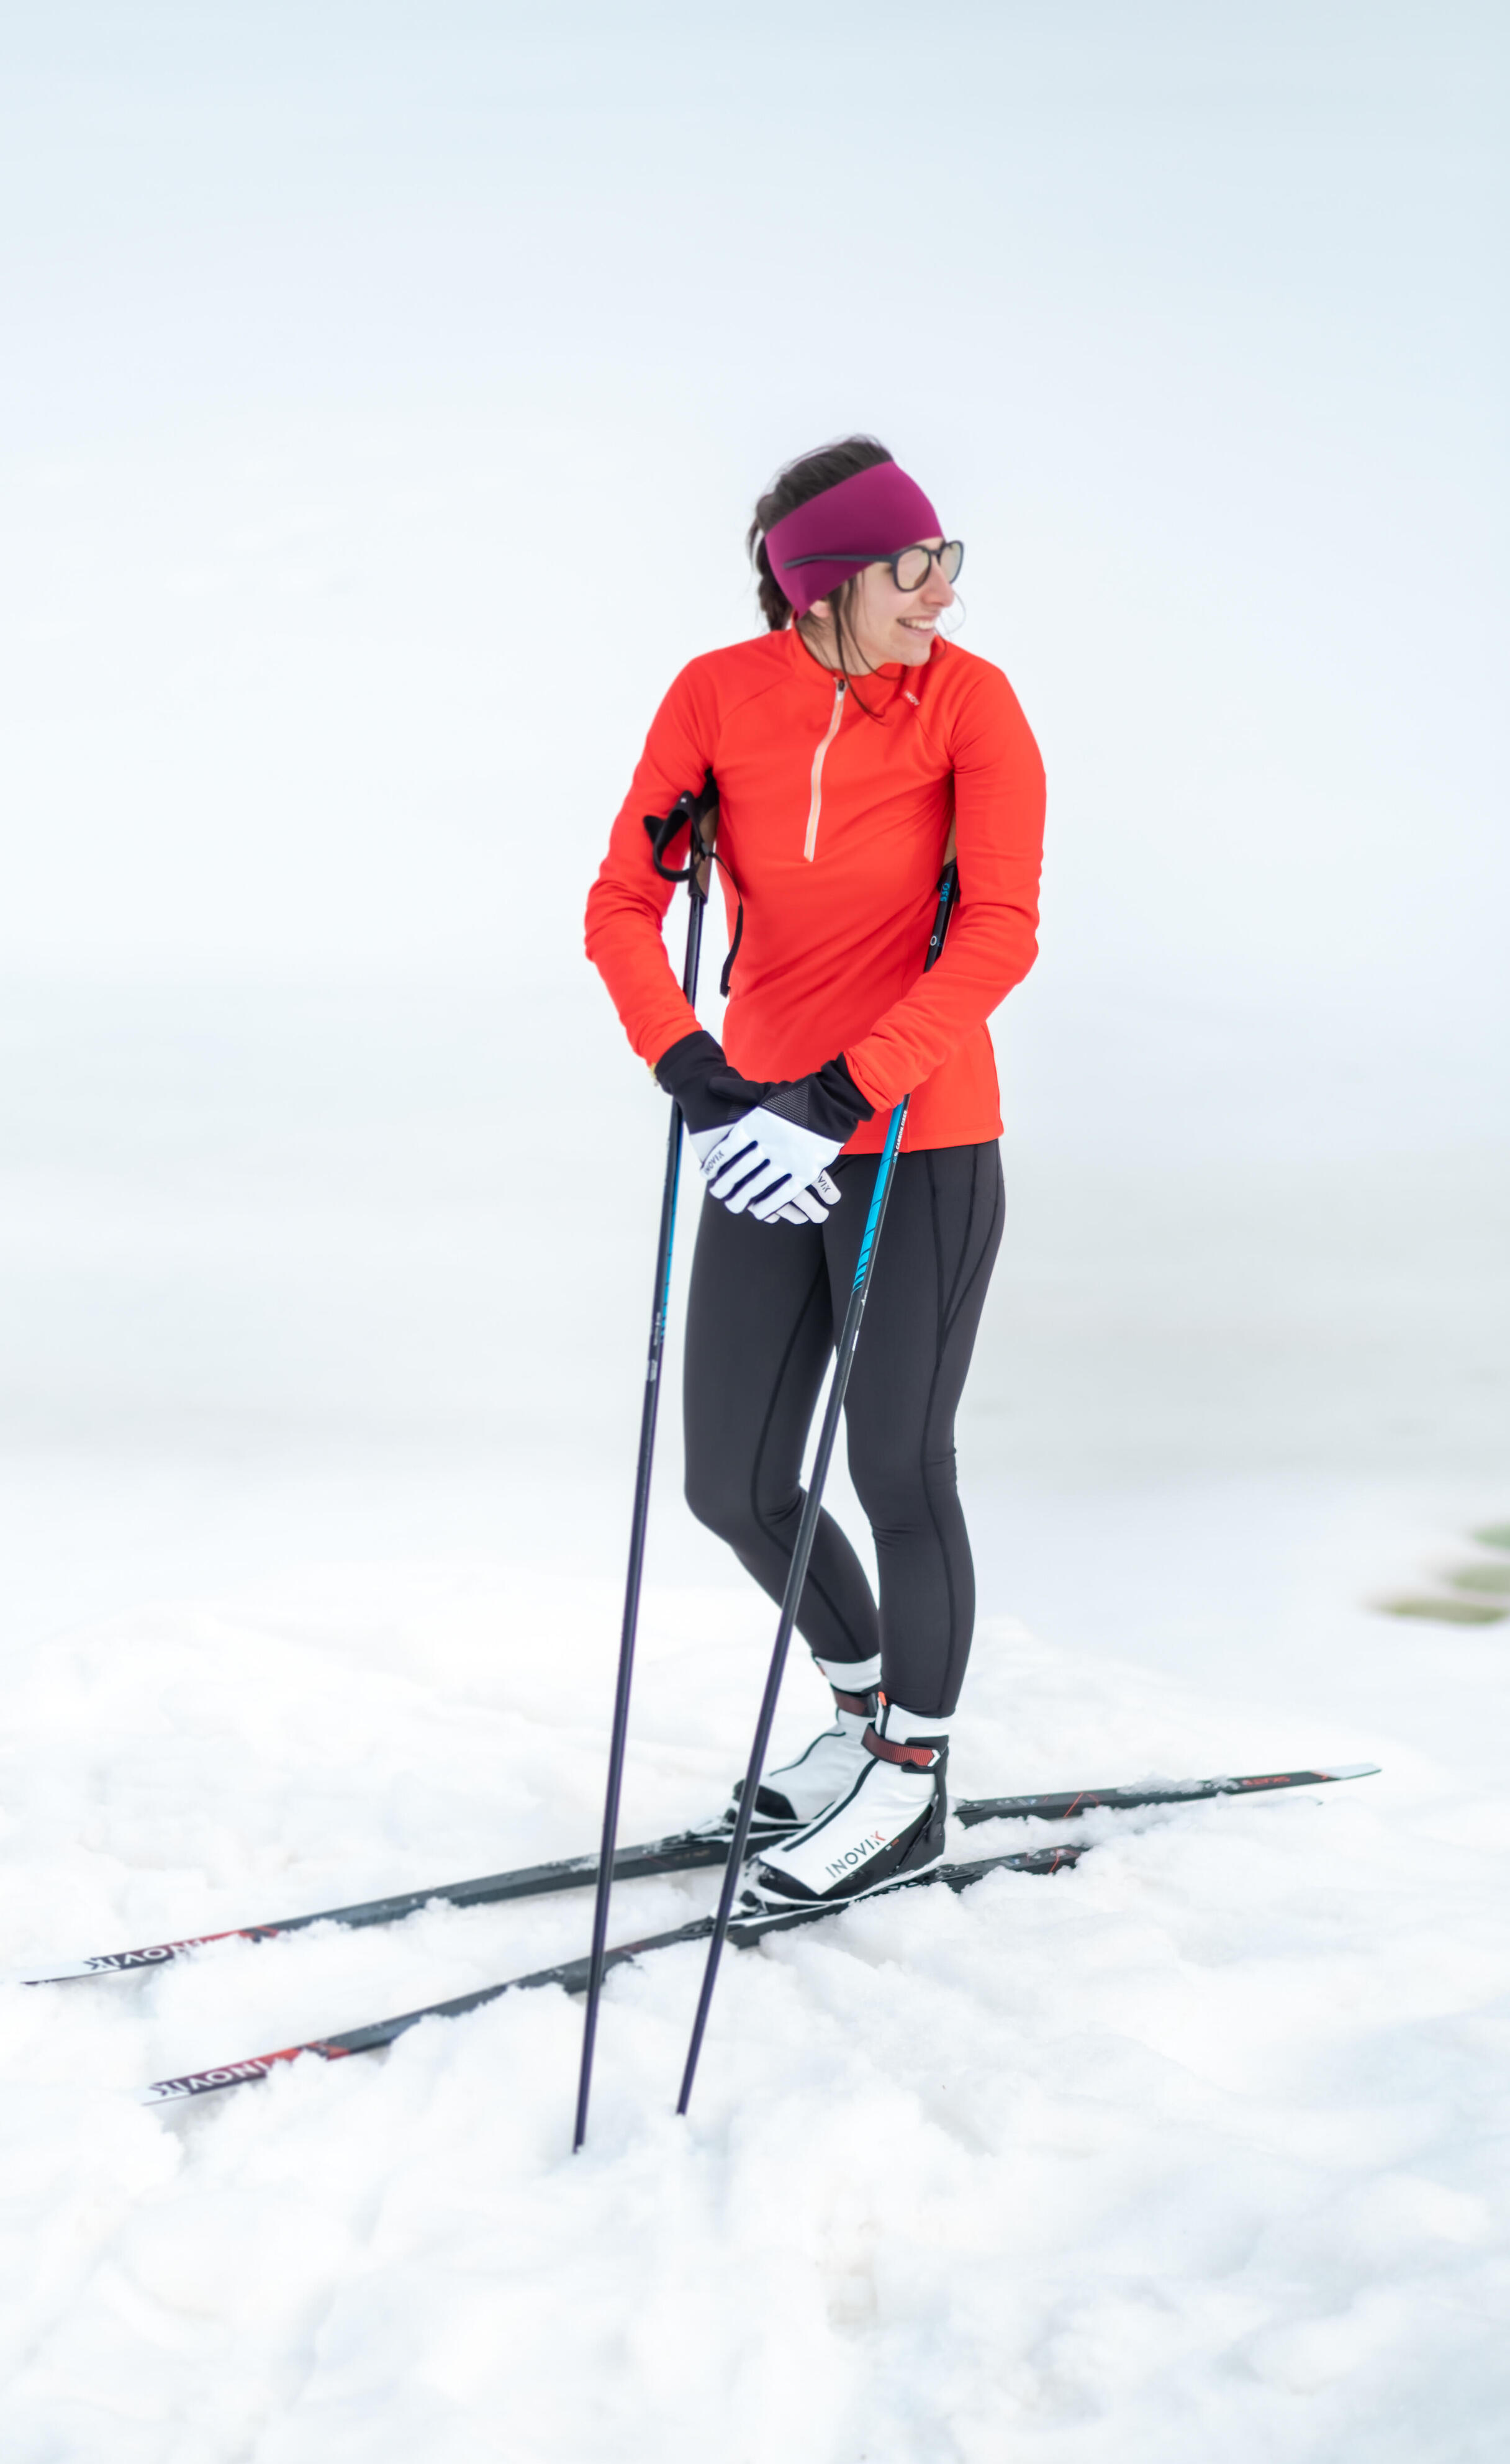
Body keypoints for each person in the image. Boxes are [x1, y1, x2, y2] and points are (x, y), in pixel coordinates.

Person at [584, 437, 1046, 1916]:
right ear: (829, 580)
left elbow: (1000, 933)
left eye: (947, 562)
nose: (945, 596)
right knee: (732, 1480)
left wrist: (841, 1094)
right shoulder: (718, 698)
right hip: (758, 1141)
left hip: (916, 1133)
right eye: (918, 569)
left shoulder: (970, 705)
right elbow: (620, 904)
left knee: (898, 1467)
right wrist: (698, 1078)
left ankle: (912, 1779)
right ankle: (854, 1716)